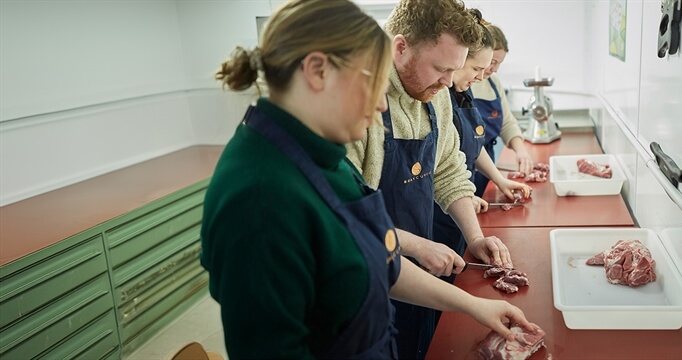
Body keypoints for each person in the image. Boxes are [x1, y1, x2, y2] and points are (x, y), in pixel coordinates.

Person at [200, 0, 537, 358]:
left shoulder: (324, 160)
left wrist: (471, 304)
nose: (380, 105)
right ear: (317, 72)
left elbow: (380, 258)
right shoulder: (259, 198)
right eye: (372, 83)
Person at [346, 1, 517, 358]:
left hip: (417, 273)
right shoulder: (356, 103)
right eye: (441, 68)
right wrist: (416, 246)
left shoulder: (435, 95)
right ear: (401, 47)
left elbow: (449, 170)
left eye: (454, 70)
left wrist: (475, 237)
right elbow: (350, 223)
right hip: (369, 283)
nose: (449, 82)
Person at [433, 13, 532, 283]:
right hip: (432, 214)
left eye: (492, 66)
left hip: (457, 197)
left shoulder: (462, 91)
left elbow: (463, 153)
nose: (484, 75)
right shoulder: (438, 94)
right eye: (479, 68)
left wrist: (497, 180)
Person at [472, 24, 534, 197]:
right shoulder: (461, 85)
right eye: (492, 62)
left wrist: (520, 151)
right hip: (464, 168)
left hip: (487, 164)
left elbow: (507, 122)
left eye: (499, 63)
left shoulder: (493, 83)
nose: (495, 69)